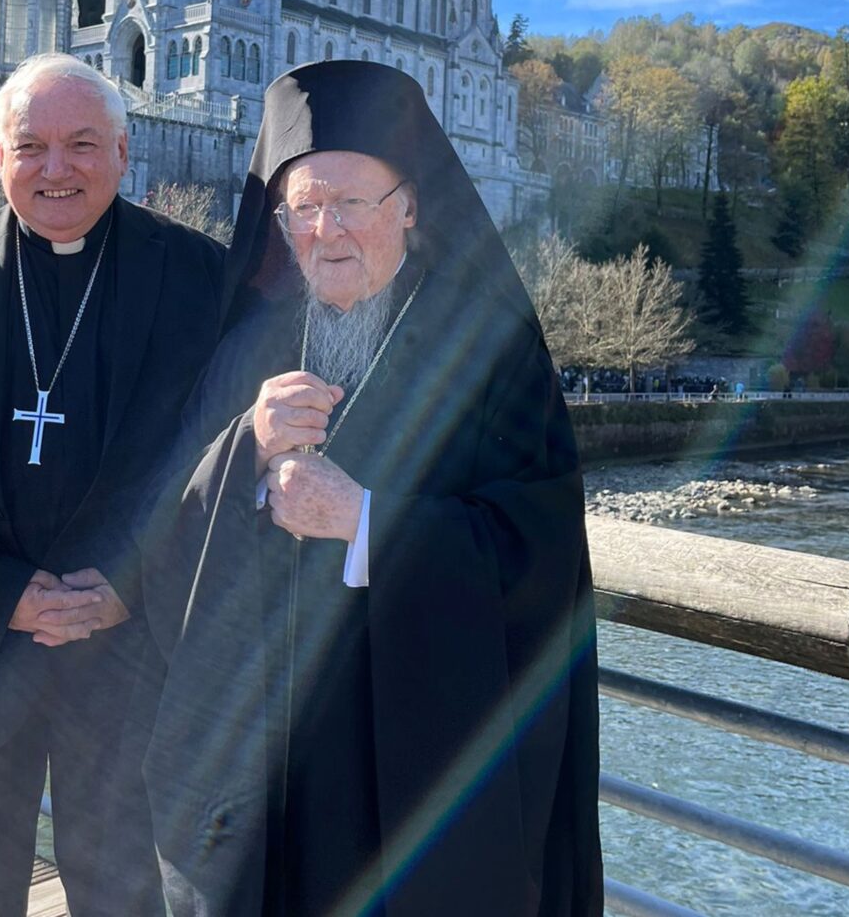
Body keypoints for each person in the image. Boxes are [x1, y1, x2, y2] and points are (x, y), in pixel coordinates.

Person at [142, 60, 602, 917]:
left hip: (414, 758)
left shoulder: (489, 348)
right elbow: (165, 523)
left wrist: (366, 523)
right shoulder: (248, 344)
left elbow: (538, 549)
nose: (328, 231)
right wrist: (244, 447)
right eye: (304, 208)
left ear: (412, 208)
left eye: (355, 203)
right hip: (261, 758)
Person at [0, 54, 225, 917]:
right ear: (0, 160)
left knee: (127, 896)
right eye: (32, 148)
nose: (56, 169)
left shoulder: (202, 280)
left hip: (130, 657)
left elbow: (216, 457)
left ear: (126, 154)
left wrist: (128, 586)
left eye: (83, 145)